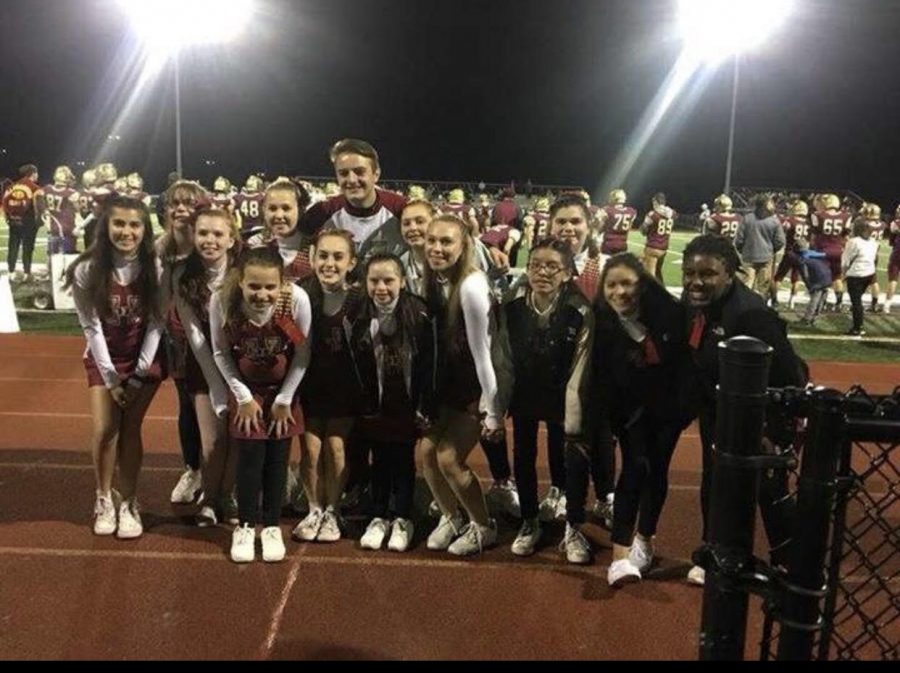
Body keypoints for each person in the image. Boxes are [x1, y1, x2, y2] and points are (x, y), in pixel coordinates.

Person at [682, 234, 808, 586]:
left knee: (768, 489)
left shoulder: (751, 313)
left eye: (707, 274)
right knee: (715, 479)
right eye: (690, 273)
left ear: (730, 274)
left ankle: (793, 564)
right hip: (719, 409)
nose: (696, 281)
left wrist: (773, 430)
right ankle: (718, 550)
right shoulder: (696, 302)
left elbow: (789, 373)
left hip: (758, 416)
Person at [64, 196, 166, 539]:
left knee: (131, 428)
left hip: (143, 358)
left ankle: (130, 501)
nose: (127, 231)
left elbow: (157, 323)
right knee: (106, 428)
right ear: (106, 226)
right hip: (105, 357)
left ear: (145, 229)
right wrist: (111, 378)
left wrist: (138, 374)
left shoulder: (156, 267)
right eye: (119, 224)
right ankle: (104, 497)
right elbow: (91, 326)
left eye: (135, 225)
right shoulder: (87, 269)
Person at [592, 253, 691, 586]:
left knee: (657, 469)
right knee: (635, 468)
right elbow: (600, 378)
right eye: (612, 284)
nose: (620, 291)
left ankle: (645, 539)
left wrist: (681, 410)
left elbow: (683, 366)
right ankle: (619, 558)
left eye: (628, 283)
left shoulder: (670, 314)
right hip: (629, 413)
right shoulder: (601, 322)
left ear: (643, 284)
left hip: (667, 410)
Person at [210, 247, 312, 563]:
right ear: (240, 282)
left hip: (284, 390)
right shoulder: (222, 301)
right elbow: (220, 353)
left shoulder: (295, 301)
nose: (262, 294)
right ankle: (245, 524)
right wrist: (242, 397)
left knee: (278, 456)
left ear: (282, 283)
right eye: (254, 286)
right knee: (250, 455)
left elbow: (302, 355)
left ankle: (270, 525)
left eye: (270, 286)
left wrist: (284, 399)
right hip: (246, 391)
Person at [504, 238, 593, 557]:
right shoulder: (511, 301)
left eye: (552, 266)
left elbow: (582, 363)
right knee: (523, 454)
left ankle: (573, 527)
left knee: (570, 456)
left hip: (563, 390)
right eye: (536, 265)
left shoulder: (579, 309)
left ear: (568, 273)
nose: (542, 272)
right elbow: (501, 354)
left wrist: (574, 414)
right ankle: (529, 520)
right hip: (525, 390)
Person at [421, 214, 503, 556]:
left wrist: (493, 410)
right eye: (432, 241)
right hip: (451, 385)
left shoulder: (470, 286)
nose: (437, 248)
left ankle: (484, 525)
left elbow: (483, 352)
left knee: (449, 458)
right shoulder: (437, 278)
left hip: (477, 389)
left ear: (464, 245)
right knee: (425, 451)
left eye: (446, 242)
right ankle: (451, 516)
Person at [352, 253, 435, 552]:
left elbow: (430, 364)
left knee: (402, 459)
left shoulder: (419, 313)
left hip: (406, 403)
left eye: (389, 280)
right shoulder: (357, 313)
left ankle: (402, 516)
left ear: (402, 281)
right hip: (375, 404)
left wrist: (425, 405)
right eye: (374, 280)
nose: (381, 287)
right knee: (378, 459)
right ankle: (377, 516)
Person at [292, 229, 363, 544]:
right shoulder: (298, 294)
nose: (329, 263)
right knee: (310, 448)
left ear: (352, 262)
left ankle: (334, 509)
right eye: (323, 256)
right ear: (312, 258)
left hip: (345, 389)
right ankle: (314, 508)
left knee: (335, 446)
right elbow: (291, 341)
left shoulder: (360, 300)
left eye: (338, 257)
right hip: (308, 386)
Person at [173, 208, 241, 525]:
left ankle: (227, 494)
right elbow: (195, 335)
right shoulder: (182, 275)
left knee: (239, 435)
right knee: (213, 439)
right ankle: (211, 500)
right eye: (203, 233)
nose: (210, 240)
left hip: (243, 364)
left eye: (217, 234)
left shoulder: (242, 271)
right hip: (203, 366)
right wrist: (216, 384)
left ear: (231, 238)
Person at [157, 180, 209, 507]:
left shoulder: (210, 243)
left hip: (212, 337)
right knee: (187, 405)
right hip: (177, 338)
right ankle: (192, 468)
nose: (181, 209)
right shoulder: (160, 249)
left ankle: (219, 470)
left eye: (189, 203)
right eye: (175, 203)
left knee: (217, 406)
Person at [298, 139, 407, 262]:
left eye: (359, 172)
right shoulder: (323, 212)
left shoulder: (400, 208)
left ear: (376, 174)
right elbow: (288, 241)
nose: (352, 179)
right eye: (344, 173)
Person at [735, 194, 785, 298]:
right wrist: (771, 250)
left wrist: (743, 250)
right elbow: (780, 241)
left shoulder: (747, 218)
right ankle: (761, 309)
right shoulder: (774, 221)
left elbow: (739, 240)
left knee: (747, 285)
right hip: (766, 258)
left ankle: (745, 308)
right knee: (762, 288)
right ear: (765, 205)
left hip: (748, 257)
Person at [2, 164, 41, 281]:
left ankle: (11, 271)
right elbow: (38, 207)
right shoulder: (35, 188)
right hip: (28, 222)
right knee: (27, 248)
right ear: (33, 173)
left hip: (14, 221)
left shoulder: (12, 186)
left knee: (13, 246)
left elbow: (4, 203)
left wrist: (8, 218)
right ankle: (27, 272)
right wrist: (38, 222)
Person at [842, 218, 880, 336]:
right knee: (857, 301)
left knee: (856, 302)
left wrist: (844, 274)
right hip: (869, 274)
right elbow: (875, 259)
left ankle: (858, 327)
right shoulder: (874, 242)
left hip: (856, 275)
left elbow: (845, 261)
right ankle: (858, 322)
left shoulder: (854, 242)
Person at [639, 192, 676, 284]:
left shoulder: (652, 214)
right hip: (664, 247)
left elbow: (643, 230)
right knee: (658, 273)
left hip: (653, 246)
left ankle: (652, 296)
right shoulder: (672, 213)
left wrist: (644, 228)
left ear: (655, 201)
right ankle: (662, 294)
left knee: (650, 275)